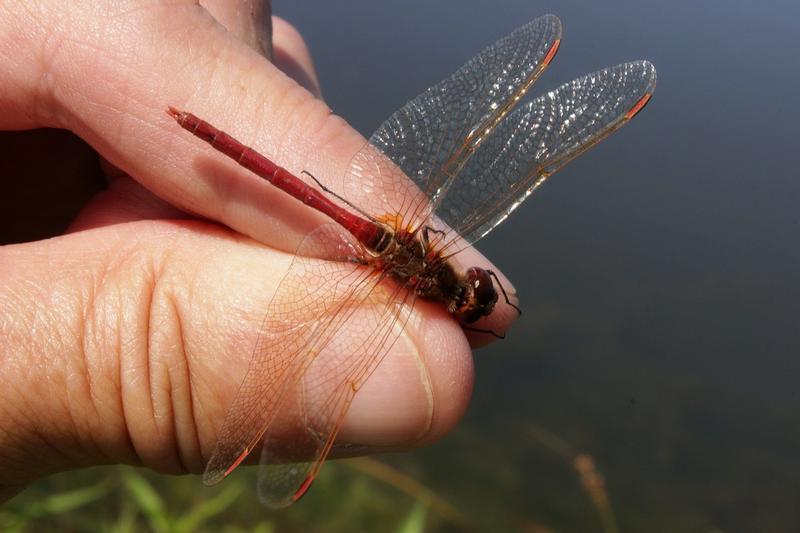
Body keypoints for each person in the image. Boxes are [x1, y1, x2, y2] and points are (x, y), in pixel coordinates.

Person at [0, 0, 516, 502]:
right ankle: (189, 125)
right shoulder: (425, 278)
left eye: (474, 296)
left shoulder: (428, 254)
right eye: (477, 292)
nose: (474, 291)